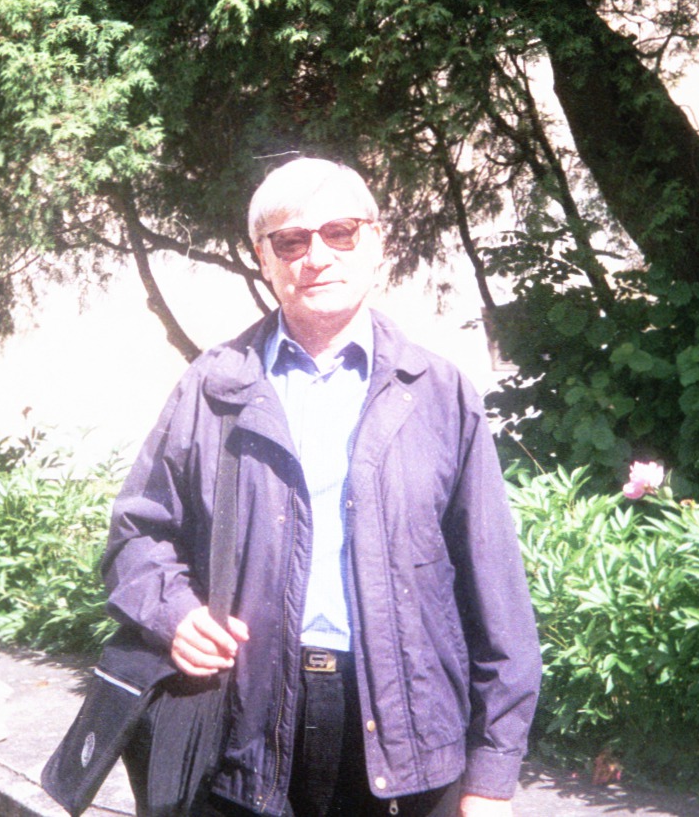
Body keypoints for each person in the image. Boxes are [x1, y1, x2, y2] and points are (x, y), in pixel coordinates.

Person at [104, 157, 541, 817]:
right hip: (245, 719)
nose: (316, 255)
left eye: (339, 232)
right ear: (264, 258)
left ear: (375, 244)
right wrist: (174, 612)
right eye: (291, 240)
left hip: (403, 728)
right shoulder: (215, 386)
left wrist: (491, 774)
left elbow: (497, 596)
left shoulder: (438, 393)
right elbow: (135, 535)